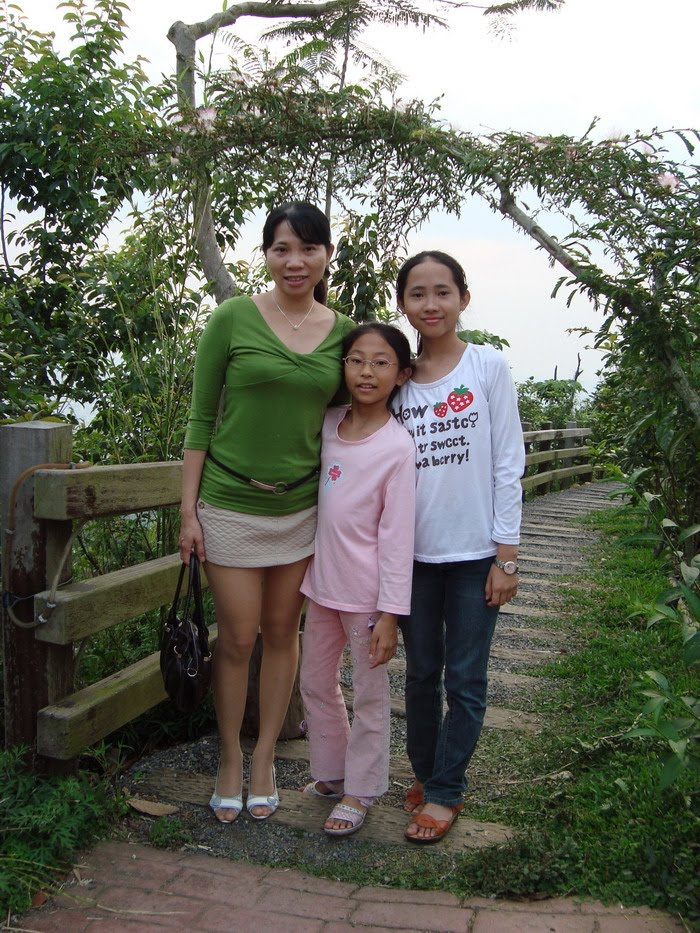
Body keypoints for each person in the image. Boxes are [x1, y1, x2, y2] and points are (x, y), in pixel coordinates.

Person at [179, 202, 355, 823]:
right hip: (229, 503)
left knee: (284, 634)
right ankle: (229, 756)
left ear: (327, 255)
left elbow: (354, 418)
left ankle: (264, 758)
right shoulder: (232, 317)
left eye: (308, 248)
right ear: (267, 255)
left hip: (302, 509)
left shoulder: (343, 333)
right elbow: (201, 419)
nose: (295, 261)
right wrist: (188, 512)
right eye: (282, 248)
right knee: (237, 636)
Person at [392, 250, 525, 844]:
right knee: (420, 674)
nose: (431, 304)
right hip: (413, 557)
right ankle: (427, 773)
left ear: (463, 298)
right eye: (417, 293)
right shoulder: (397, 379)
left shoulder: (486, 366)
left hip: (474, 556)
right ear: (403, 304)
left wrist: (506, 557)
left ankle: (446, 791)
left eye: (442, 292)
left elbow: (508, 462)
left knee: (465, 679)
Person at [299, 323, 416, 836]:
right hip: (320, 584)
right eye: (356, 360)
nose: (366, 372)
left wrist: (390, 613)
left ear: (401, 374)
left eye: (381, 362)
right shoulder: (327, 423)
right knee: (314, 681)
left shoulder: (397, 448)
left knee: (369, 694)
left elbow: (398, 538)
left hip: (367, 595)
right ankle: (332, 772)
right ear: (343, 366)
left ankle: (362, 789)